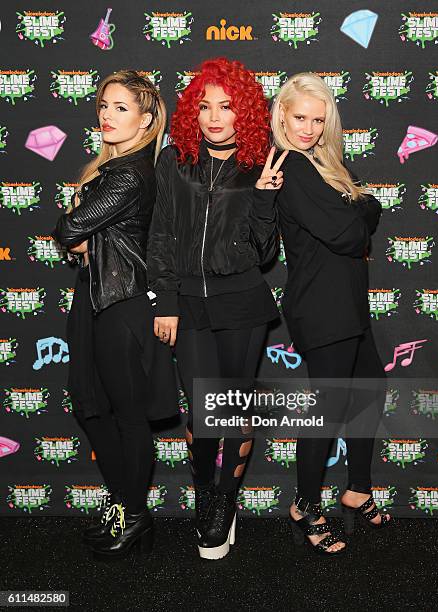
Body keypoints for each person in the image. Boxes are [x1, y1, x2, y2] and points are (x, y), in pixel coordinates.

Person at [147, 57, 287, 560]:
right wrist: (165, 300)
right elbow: (160, 234)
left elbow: (266, 252)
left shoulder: (259, 164)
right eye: (204, 106)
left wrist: (266, 198)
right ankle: (205, 491)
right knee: (204, 413)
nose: (213, 116)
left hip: (243, 304)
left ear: (243, 112)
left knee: (233, 411)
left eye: (225, 107)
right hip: (187, 304)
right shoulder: (174, 160)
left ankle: (225, 503)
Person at [53, 70, 178, 560]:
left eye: (121, 108)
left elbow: (68, 228)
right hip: (95, 294)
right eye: (104, 104)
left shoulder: (128, 173)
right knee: (88, 402)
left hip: (122, 303)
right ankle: (125, 505)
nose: (107, 114)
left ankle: (135, 516)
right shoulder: (113, 168)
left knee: (127, 417)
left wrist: (78, 226)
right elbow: (80, 240)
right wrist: (83, 237)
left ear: (146, 119)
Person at [272, 73, 390, 556]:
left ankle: (357, 489)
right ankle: (304, 505)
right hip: (320, 306)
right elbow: (348, 233)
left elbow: (373, 209)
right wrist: (355, 214)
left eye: (318, 119)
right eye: (300, 117)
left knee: (370, 390)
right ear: (282, 115)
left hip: (347, 303)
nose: (309, 127)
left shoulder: (326, 161)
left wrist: (355, 215)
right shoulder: (292, 166)